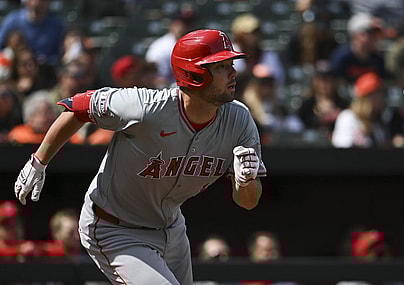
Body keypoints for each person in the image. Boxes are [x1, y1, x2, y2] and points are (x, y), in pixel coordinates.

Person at [13, 29, 267, 284]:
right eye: (221, 66)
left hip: (171, 228)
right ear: (194, 73)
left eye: (230, 64)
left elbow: (248, 202)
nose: (233, 72)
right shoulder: (147, 107)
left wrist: (246, 182)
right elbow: (77, 107)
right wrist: (39, 162)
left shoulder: (239, 120)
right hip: (115, 227)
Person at [331, 72, 389, 148]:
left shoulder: (378, 122)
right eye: (376, 94)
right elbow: (342, 149)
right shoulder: (348, 117)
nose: (381, 99)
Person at [0, 0, 65, 66]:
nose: (43, 3)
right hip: (15, 68)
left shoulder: (56, 24)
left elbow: (58, 54)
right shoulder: (13, 20)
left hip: (45, 69)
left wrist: (47, 60)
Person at [329, 13, 385, 88]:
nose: (374, 37)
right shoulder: (342, 57)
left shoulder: (377, 60)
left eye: (375, 34)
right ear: (355, 35)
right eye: (369, 33)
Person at [145, 9, 196, 88]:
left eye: (189, 23)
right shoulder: (160, 48)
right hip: (169, 93)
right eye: (183, 23)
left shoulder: (195, 44)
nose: (187, 27)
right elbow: (157, 80)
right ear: (173, 25)